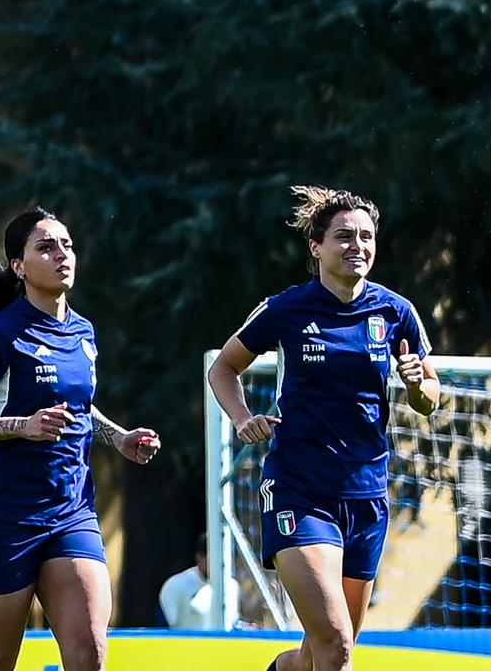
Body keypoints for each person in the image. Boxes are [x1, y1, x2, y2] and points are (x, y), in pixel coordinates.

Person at [0, 209, 161, 671]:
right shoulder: (1, 335)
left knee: (90, 654)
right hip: (2, 515)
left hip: (71, 513)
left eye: (66, 244)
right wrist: (21, 425)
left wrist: (120, 438)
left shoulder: (84, 332)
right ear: (19, 266)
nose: (61, 254)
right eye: (46, 247)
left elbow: (78, 408)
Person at [206, 186, 443, 671]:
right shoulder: (286, 309)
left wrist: (419, 385)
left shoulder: (395, 312)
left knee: (325, 654)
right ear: (316, 247)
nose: (358, 246)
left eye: (367, 237)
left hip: (367, 494)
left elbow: (430, 399)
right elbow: (223, 369)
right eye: (344, 236)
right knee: (335, 644)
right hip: (299, 489)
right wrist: (243, 418)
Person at [158, 530, 218, 631]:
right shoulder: (175, 585)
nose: (218, 563)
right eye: (213, 557)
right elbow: (162, 631)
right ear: (199, 557)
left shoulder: (233, 587)